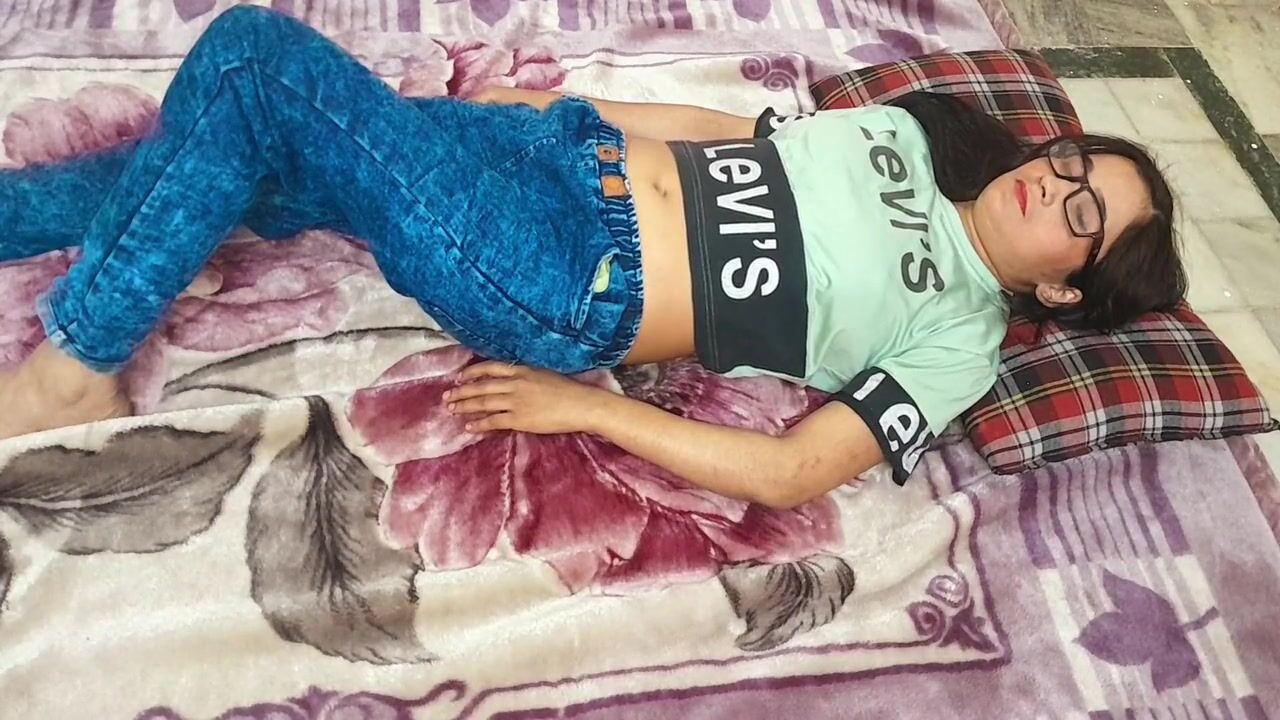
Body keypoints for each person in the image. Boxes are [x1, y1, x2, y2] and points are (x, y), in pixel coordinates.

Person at [0, 4, 1184, 507]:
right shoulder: (903, 136)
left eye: (1081, 214)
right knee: (257, 151)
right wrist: (558, 110)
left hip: (563, 273)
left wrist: (591, 409)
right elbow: (726, 134)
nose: (1055, 182)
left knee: (255, 58)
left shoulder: (958, 337)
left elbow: (792, 473)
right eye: (1072, 163)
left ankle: (76, 366)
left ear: (1059, 284)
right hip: (555, 159)